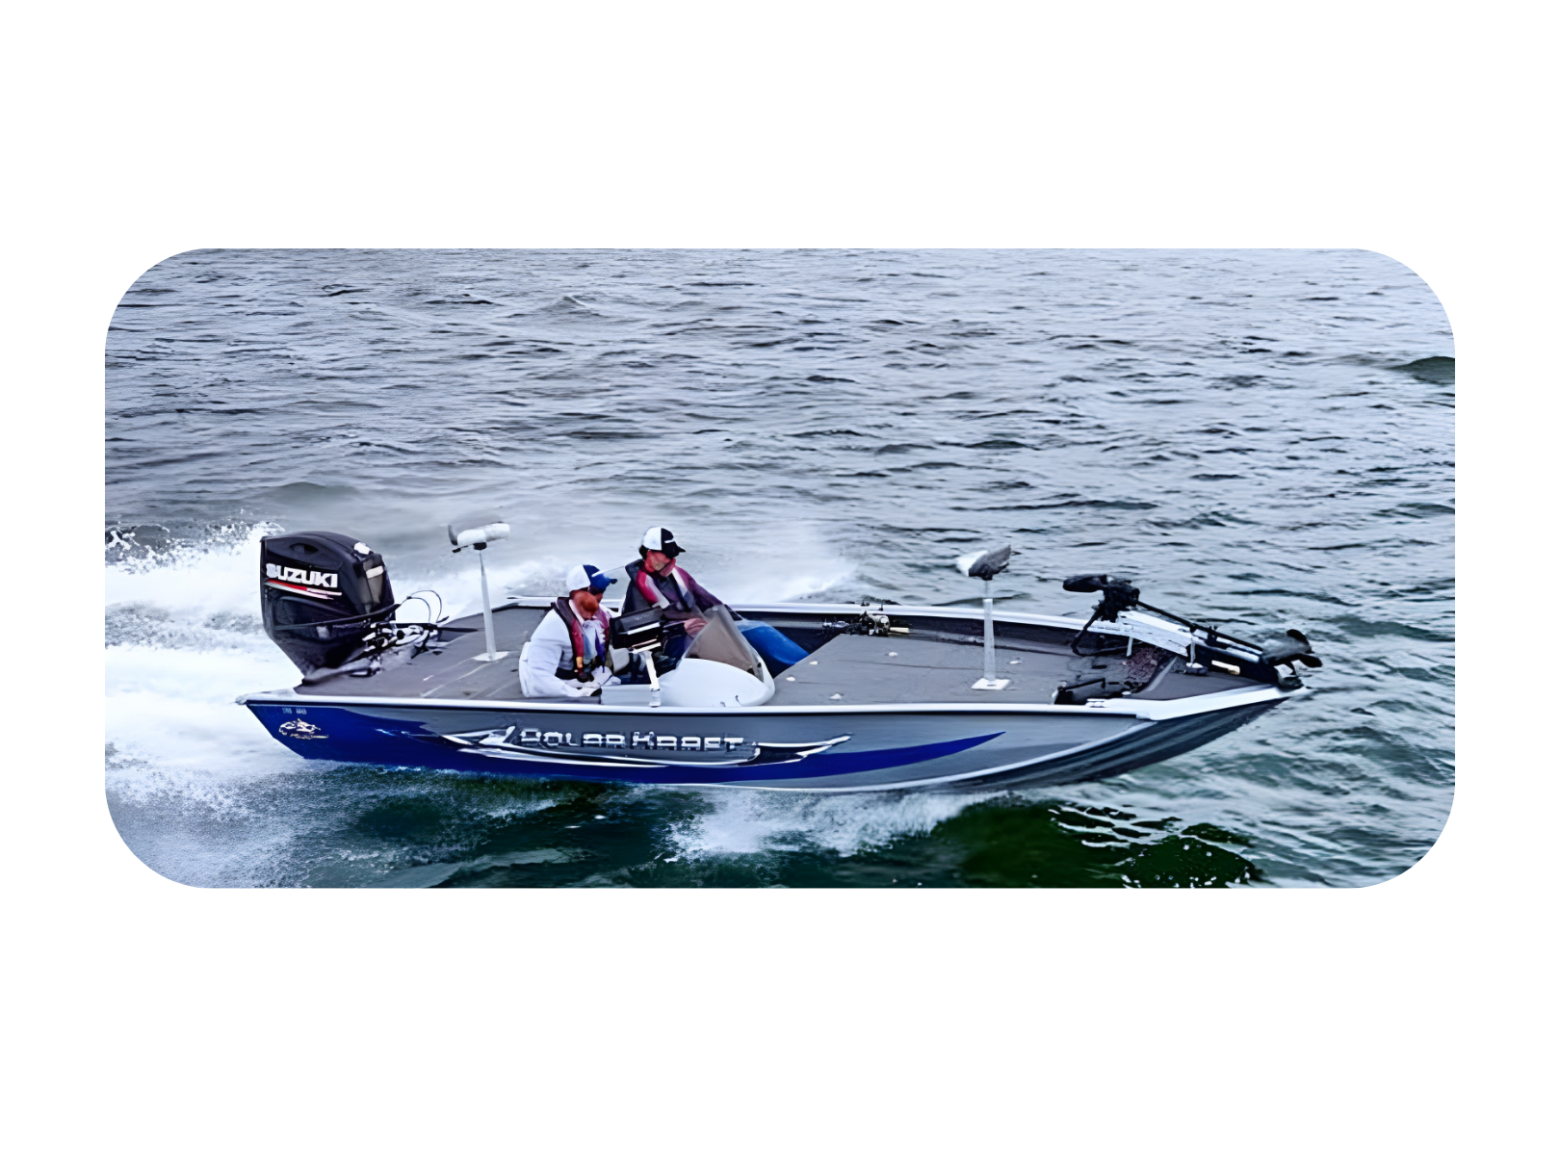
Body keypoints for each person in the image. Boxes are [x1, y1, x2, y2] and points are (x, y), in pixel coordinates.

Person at [622, 526, 808, 674]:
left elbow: (709, 601)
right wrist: (681, 628)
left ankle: (805, 670)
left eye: (674, 555)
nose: (672, 559)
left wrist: (737, 622)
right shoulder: (637, 590)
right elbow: (638, 637)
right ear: (649, 553)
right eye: (667, 555)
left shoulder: (679, 576)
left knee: (758, 629)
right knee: (728, 646)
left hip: (705, 631)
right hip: (677, 643)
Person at [519, 564, 620, 699]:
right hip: (561, 683)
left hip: (589, 675)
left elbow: (621, 625)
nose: (600, 597)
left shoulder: (601, 612)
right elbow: (538, 678)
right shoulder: (553, 628)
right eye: (595, 591)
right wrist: (579, 696)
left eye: (603, 590)